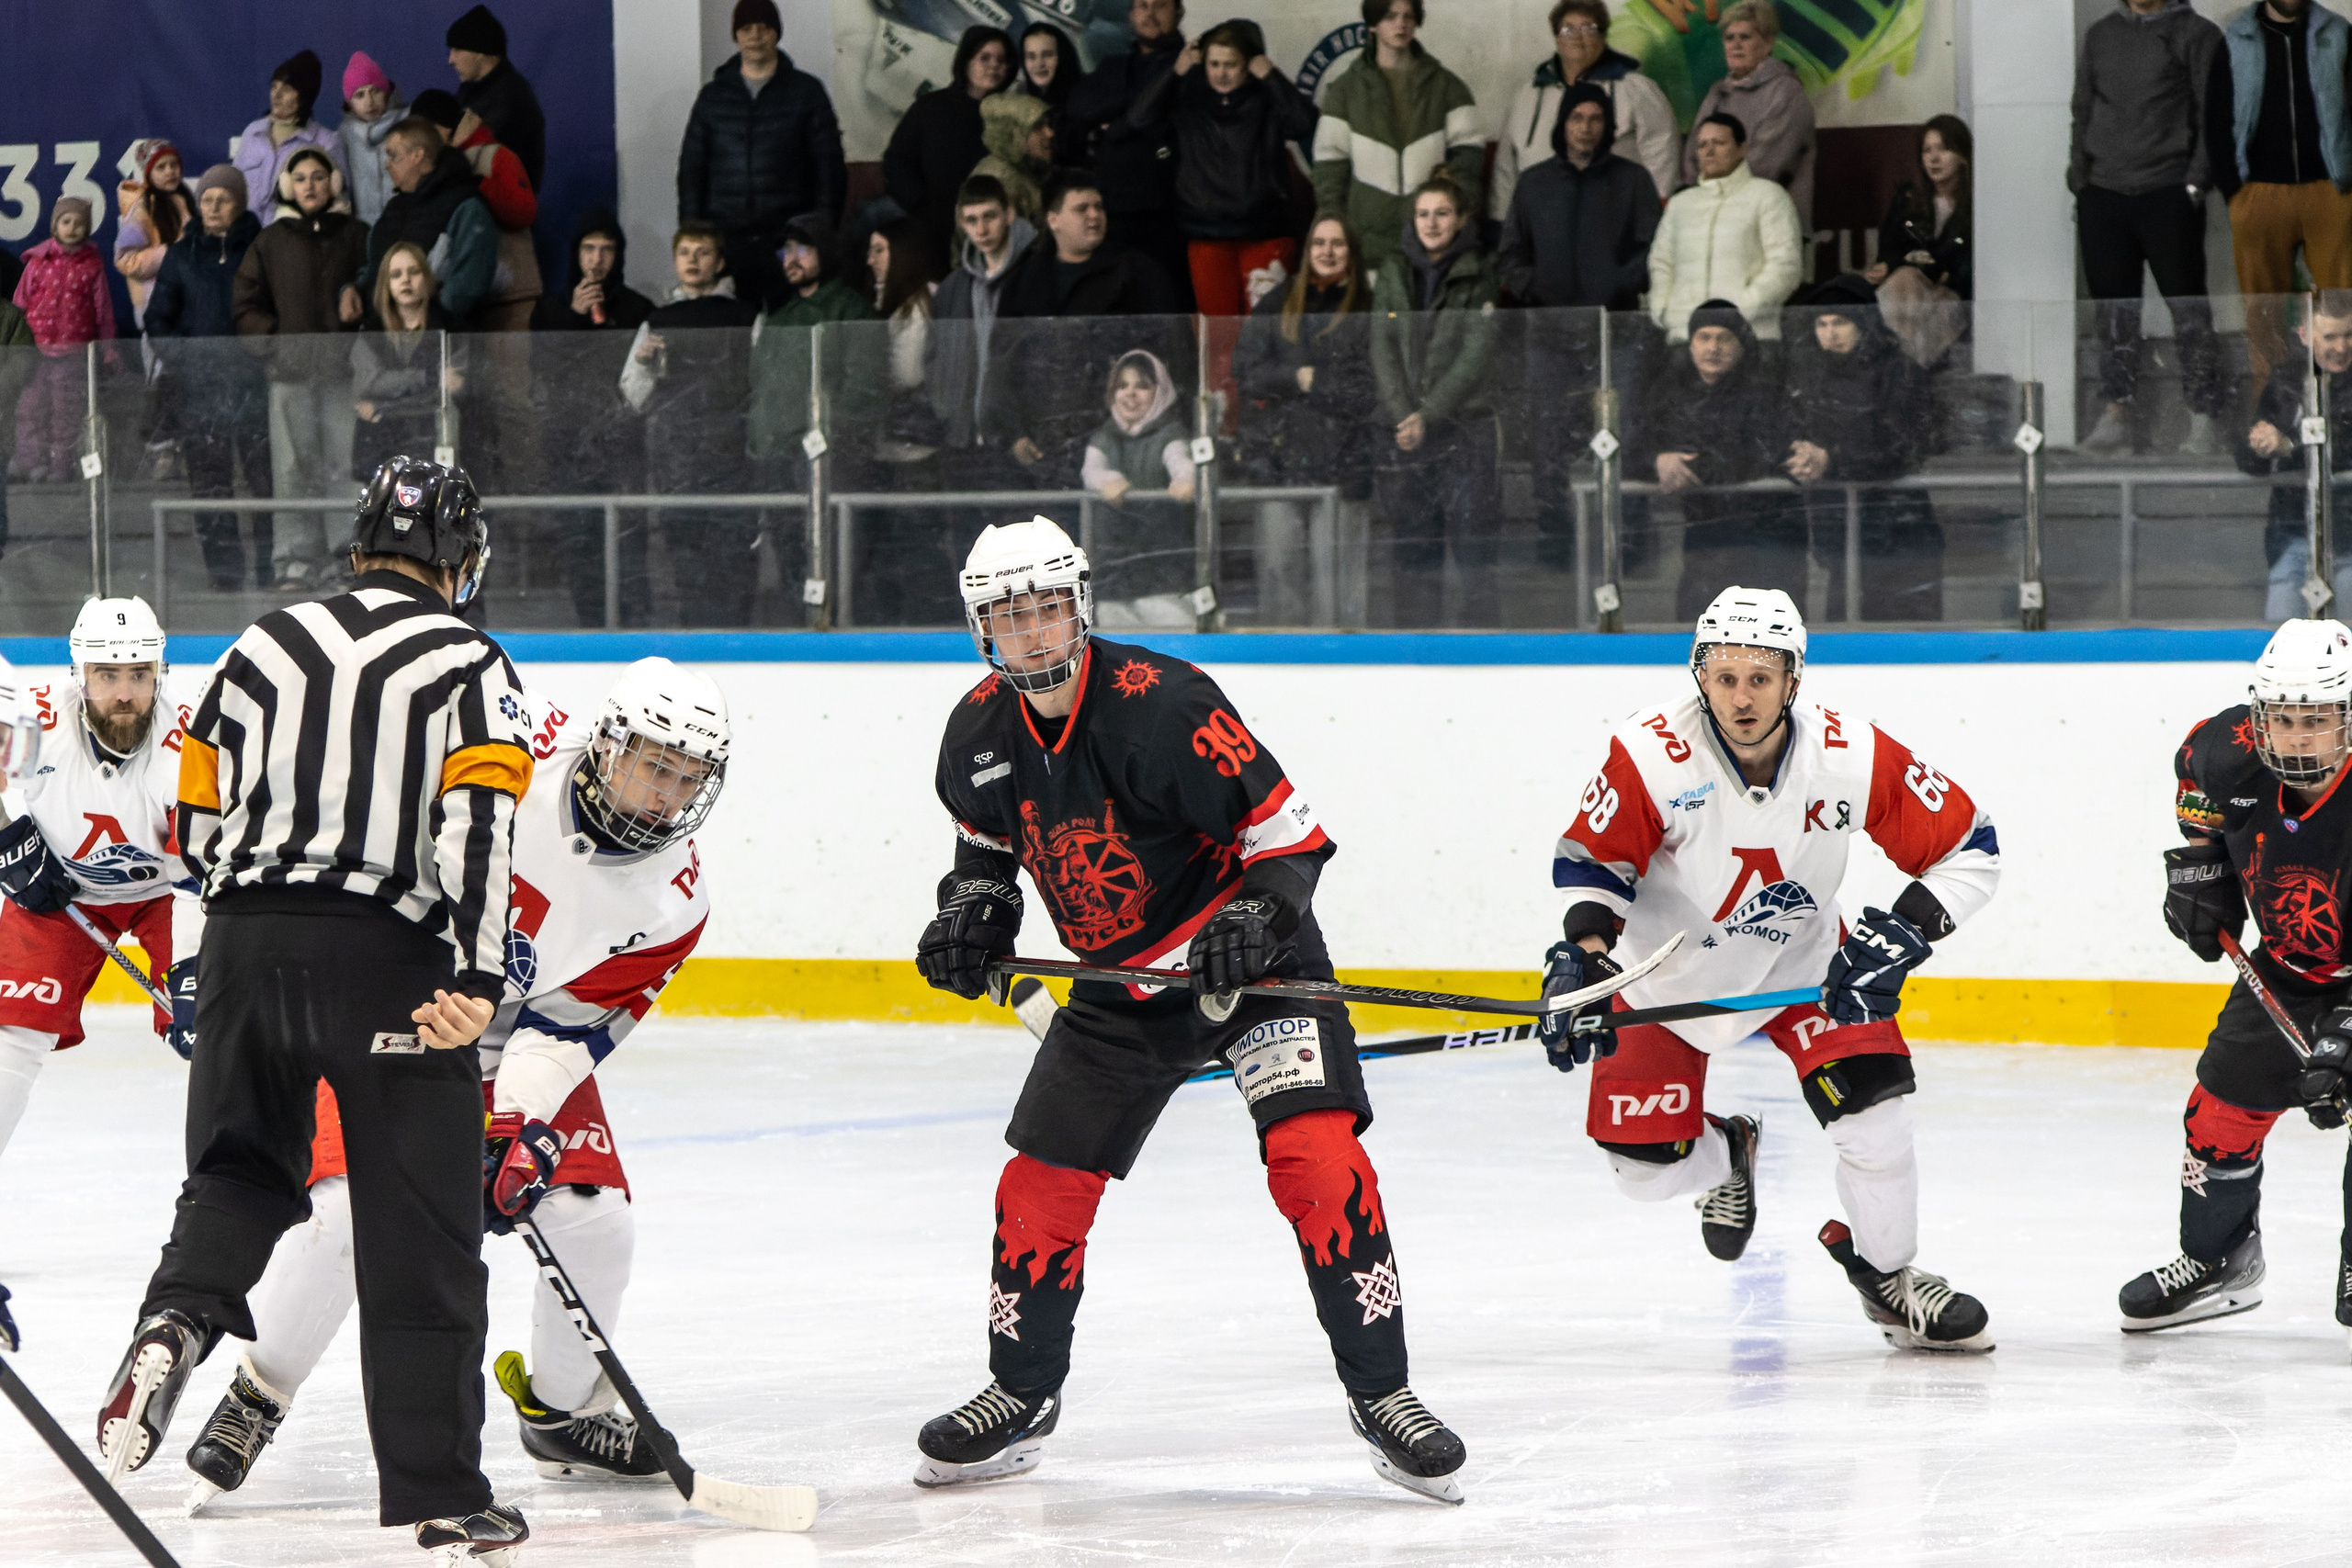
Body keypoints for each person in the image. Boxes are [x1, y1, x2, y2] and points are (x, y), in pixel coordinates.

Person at [911, 514, 1467, 1502]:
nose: (1031, 635)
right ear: (978, 628)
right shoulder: (977, 736)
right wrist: (971, 914)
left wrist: (1256, 915)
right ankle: (1021, 1393)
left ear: (1079, 606)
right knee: (1037, 1190)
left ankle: (1384, 1395)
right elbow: (986, 859)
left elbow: (1292, 840)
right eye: (1008, 617)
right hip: (1118, 992)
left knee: (1319, 1163)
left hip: (1253, 975)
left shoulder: (1163, 705)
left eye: (1046, 610)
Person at [99, 457, 530, 1563]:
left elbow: (191, 826)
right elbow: (478, 831)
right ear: (456, 557)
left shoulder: (260, 643)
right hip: (389, 962)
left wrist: (248, 917)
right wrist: (476, 982)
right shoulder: (470, 661)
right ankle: (440, 1493)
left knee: (242, 1171)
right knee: (418, 1231)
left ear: (358, 544)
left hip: (244, 945)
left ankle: (178, 1319)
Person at [183, 660, 730, 1498]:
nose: (667, 794)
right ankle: (260, 1390)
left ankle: (557, 1412)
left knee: (594, 1221)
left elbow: (572, 1025)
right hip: (396, 999)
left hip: (514, 1040)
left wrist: (516, 1122)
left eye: (689, 777)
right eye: (655, 765)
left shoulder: (675, 902)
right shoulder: (515, 746)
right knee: (345, 1212)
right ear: (608, 743)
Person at [1543, 586, 2001, 1349]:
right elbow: (1597, 867)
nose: (1742, 696)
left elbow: (1970, 849)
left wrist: (1899, 935)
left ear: (1794, 678)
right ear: (1699, 674)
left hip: (1807, 967)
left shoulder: (1852, 753)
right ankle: (1726, 1156)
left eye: (1761, 676)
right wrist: (1581, 965)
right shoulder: (1650, 754)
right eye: (1725, 677)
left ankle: (1890, 1279)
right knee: (1645, 1172)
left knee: (1877, 1115)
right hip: (1665, 985)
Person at [2122, 618, 2352, 1335]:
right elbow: (2193, 775)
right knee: (2217, 1112)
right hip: (2285, 968)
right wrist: (2202, 869)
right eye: (2282, 719)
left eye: (2317, 720)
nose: (2297, 737)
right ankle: (2219, 1260)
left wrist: (2342, 1039)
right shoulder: (2230, 749)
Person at [0, 600, 189, 1166]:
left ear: (161, 672)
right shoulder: (37, 727)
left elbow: (207, 868)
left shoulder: (193, 738)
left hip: (175, 895)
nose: (125, 693)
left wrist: (204, 967)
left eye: (139, 674)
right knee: (8, 1031)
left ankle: (276, 1204)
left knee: (223, 1032)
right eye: (107, 675)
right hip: (61, 892)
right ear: (78, 675)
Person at [1498, 82, 1661, 572]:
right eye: (1577, 118)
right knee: (1547, 439)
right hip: (1549, 335)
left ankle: (1629, 536)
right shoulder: (1534, 183)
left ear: (1608, 127)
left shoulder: (1632, 180)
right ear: (1562, 125)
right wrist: (1537, 288)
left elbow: (1652, 249)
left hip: (1617, 332)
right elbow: (1509, 255)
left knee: (1623, 433)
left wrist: (1615, 284)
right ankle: (1556, 537)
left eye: (1595, 118)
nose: (1586, 127)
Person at [1129, 17, 1319, 417]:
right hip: (1206, 236)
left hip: (1265, 234)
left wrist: (1271, 75)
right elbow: (1140, 119)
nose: (1221, 72)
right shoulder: (1188, 95)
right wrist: (1176, 70)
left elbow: (1305, 123)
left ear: (1249, 62)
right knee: (1219, 342)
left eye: (1230, 64)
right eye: (1213, 63)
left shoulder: (1266, 96)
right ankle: (1227, 427)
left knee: (1269, 337)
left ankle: (1268, 425)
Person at [2071, 0, 2227, 457]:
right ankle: (2116, 415)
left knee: (2189, 309)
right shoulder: (2101, 34)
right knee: (2113, 312)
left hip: (2168, 190)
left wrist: (2196, 184)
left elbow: (2213, 114)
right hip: (2103, 193)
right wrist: (2081, 179)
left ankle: (2204, 417)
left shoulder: (2198, 34)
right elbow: (2082, 107)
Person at [988, 170, 1182, 489]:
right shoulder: (1024, 281)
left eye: (1099, 207)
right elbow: (1002, 364)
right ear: (1054, 220)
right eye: (1081, 209)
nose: (1094, 216)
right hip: (1043, 450)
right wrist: (1014, 433)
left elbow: (1170, 356)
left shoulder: (1138, 275)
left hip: (1121, 446)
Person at [236, 147, 369, 592]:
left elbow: (375, 286)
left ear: (332, 183)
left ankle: (345, 557)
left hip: (342, 378)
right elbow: (245, 304)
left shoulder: (355, 236)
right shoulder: (270, 242)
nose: (310, 185)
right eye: (301, 178)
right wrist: (275, 347)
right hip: (288, 377)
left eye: (319, 176)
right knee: (292, 469)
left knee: (342, 467)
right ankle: (294, 560)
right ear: (286, 186)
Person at [1235, 215, 1376, 625]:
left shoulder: (1368, 307)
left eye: (1337, 243)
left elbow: (1370, 385)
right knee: (1280, 567)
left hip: (1344, 461)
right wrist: (1295, 377)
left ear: (1351, 251)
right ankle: (1285, 663)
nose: (1327, 252)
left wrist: (1322, 386)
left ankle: (1346, 658)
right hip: (1281, 461)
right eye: (1319, 243)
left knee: (1339, 576)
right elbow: (1246, 372)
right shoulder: (1278, 303)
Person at [1370, 176, 1498, 627]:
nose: (1432, 223)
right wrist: (1405, 413)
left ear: (1460, 219)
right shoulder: (1393, 269)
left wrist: (1428, 413)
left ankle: (1482, 650)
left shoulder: (1479, 270)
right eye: (1423, 213)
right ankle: (1414, 649)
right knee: (1414, 548)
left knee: (1472, 547)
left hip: (1464, 429)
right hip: (1407, 431)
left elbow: (1475, 355)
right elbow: (1381, 345)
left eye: (1442, 213)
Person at [619, 223, 761, 625]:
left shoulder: (745, 316)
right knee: (684, 557)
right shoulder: (659, 319)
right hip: (676, 459)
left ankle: (736, 633)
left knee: (732, 557)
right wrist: (645, 363)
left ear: (719, 261)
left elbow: (760, 382)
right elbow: (633, 392)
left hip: (733, 456)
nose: (693, 261)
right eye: (685, 253)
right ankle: (693, 633)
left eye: (702, 252)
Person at [1780, 278, 1941, 622]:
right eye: (1821, 324)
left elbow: (1902, 447)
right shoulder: (1809, 376)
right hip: (1840, 531)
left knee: (1904, 641)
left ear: (1864, 324)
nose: (1830, 333)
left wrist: (1832, 460)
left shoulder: (1900, 371)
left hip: (1900, 534)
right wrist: (1801, 458)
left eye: (1840, 322)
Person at [1632, 299, 1801, 619]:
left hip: (1768, 543)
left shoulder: (1766, 388)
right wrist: (1657, 461)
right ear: (1691, 345)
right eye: (1704, 337)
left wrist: (1693, 467)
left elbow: (1758, 451)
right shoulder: (1670, 392)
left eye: (1724, 338)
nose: (1714, 347)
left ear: (1741, 345)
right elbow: (1631, 445)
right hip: (1704, 545)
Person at [676, 0, 847, 315]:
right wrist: (693, 233)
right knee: (730, 329)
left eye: (764, 27)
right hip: (727, 240)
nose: (755, 36)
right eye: (746, 28)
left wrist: (819, 232)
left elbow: (830, 168)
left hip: (789, 241)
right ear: (736, 36)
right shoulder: (713, 97)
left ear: (776, 33)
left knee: (791, 326)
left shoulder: (806, 92)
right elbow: (691, 170)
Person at [748, 210, 878, 618]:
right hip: (778, 467)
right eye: (785, 250)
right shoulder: (779, 320)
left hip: (832, 466)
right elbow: (761, 391)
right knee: (789, 563)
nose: (791, 258)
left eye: (802, 249)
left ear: (826, 252)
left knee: (838, 564)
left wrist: (825, 438)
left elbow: (866, 392)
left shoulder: (852, 313)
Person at [531, 210, 655, 628]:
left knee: (628, 544)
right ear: (576, 254)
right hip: (567, 446)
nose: (597, 259)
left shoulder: (639, 308)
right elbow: (542, 370)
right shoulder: (550, 310)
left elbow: (645, 384)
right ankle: (590, 626)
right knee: (580, 545)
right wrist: (571, 317)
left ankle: (634, 628)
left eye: (606, 249)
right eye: (589, 248)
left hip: (622, 445)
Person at [147, 169, 270, 592]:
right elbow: (157, 320)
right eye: (207, 199)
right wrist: (188, 362)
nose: (213, 207)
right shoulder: (182, 255)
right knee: (209, 484)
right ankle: (225, 573)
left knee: (264, 482)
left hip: (256, 387)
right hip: (199, 389)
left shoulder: (261, 247)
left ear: (240, 203)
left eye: (224, 199)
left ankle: (270, 567)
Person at [2219, 0, 2352, 385]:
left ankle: (2344, 415)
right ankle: (2271, 418)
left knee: (2343, 306)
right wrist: (2234, 189)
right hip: (2259, 193)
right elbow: (2216, 113)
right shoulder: (2237, 37)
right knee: (2263, 314)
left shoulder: (2338, 33)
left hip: (2330, 189)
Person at [1311, 0, 1484, 269]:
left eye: (1408, 16)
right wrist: (1335, 224)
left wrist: (1454, 212)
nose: (1401, 24)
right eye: (1390, 16)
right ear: (1372, 24)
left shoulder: (1448, 87)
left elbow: (1469, 160)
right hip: (1367, 249)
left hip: (1433, 251)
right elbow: (1330, 170)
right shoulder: (1344, 91)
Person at [1491, 0, 1680, 222]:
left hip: (1615, 217)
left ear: (1603, 35)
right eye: (1568, 29)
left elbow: (1662, 151)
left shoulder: (1635, 88)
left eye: (1589, 28)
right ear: (1557, 37)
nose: (1577, 37)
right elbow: (1506, 165)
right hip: (1540, 219)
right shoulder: (1529, 94)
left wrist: (1651, 213)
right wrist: (1500, 220)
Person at [1065, 0, 1192, 307]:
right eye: (1141, 5)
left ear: (1178, 12)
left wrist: (1122, 121)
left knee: (1172, 310)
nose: (1149, 13)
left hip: (1174, 214)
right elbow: (1078, 108)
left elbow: (1163, 121)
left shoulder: (1194, 65)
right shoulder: (1114, 65)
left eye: (1159, 4)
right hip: (1117, 214)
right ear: (1130, 15)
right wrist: (1135, 114)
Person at [857, 217, 950, 625]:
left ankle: (928, 623)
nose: (871, 259)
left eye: (880, 250)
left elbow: (907, 372)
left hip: (917, 449)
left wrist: (871, 375)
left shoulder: (920, 303)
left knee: (919, 549)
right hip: (891, 447)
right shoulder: (890, 302)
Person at [2239, 293, 2352, 620]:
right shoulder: (2285, 382)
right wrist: (2259, 445)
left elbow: (2342, 447)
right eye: (2330, 336)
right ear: (2304, 335)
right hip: (2292, 536)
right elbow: (2248, 460)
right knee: (2281, 634)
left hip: (2349, 541)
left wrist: (2287, 445)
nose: (2342, 347)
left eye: (2349, 335)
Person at [1648, 114, 1802, 343]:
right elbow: (1661, 262)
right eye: (1702, 145)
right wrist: (1664, 311)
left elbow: (1785, 265)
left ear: (1742, 149)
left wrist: (1738, 314)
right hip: (1685, 339)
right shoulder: (1681, 204)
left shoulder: (1768, 195)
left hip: (1751, 337)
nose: (1709, 151)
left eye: (1719, 143)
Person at [408, 89, 541, 333]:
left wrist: (478, 184)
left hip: (510, 297)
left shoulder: (497, 156)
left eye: (423, 130)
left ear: (443, 128)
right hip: (466, 300)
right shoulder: (432, 168)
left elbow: (525, 211)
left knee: (510, 370)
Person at [1682, 1, 1815, 231]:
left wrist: (1712, 200)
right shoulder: (1717, 92)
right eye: (1729, 38)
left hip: (1769, 226)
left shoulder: (1787, 92)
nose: (1736, 45)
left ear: (1768, 42)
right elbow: (1693, 156)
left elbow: (1766, 167)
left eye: (1745, 37)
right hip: (1710, 221)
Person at [884, 26, 1013, 262]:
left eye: (1001, 60)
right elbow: (897, 160)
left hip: (994, 233)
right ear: (966, 61)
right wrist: (920, 206)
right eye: (984, 57)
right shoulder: (931, 108)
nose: (994, 65)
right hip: (933, 227)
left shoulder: (1014, 116)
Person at [1083, 349, 1197, 616]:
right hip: (1113, 572)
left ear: (1160, 392)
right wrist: (1107, 481)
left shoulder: (1171, 434)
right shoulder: (1104, 438)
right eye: (1122, 386)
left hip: (1163, 569)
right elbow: (1091, 470)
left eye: (1142, 386)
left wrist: (1186, 479)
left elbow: (1182, 462)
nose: (1130, 394)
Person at [10, 196, 115, 485]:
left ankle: (61, 466)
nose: (72, 228)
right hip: (37, 352)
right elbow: (19, 305)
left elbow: (103, 311)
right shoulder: (37, 262)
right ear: (55, 224)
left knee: (66, 412)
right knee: (31, 408)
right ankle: (31, 463)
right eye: (66, 221)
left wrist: (109, 350)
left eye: (80, 223)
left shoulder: (93, 266)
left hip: (75, 354)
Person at [363, 118, 498, 328]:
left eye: (393, 155)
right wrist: (355, 289)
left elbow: (469, 282)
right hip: (386, 338)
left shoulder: (466, 206)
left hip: (447, 342)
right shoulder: (394, 208)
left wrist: (430, 319)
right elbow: (375, 266)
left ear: (417, 156)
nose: (387, 164)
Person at [351, 243, 469, 482]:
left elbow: (455, 388)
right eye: (396, 274)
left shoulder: (450, 327)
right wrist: (430, 378)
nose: (405, 280)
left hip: (434, 438)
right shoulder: (371, 330)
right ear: (387, 284)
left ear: (426, 278)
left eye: (414, 272)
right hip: (382, 446)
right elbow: (368, 383)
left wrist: (384, 405)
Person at [1864, 116, 1973, 369]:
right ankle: (1901, 367)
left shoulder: (1976, 205)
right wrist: (1887, 266)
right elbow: (1889, 250)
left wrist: (1937, 273)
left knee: (1942, 302)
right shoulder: (1908, 197)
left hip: (1951, 294)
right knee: (1904, 280)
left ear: (1963, 155)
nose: (1934, 159)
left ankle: (1904, 369)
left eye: (1943, 149)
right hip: (1911, 289)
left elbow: (1968, 267)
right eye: (1927, 150)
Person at [233, 51, 345, 230]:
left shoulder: (325, 143)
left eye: (285, 89)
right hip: (245, 241)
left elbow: (340, 204)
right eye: (273, 87)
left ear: (304, 97)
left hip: (295, 242)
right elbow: (233, 189)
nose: (276, 96)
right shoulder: (253, 133)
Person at [447, 4, 547, 196]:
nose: (451, 60)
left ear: (481, 52)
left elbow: (465, 146)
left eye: (457, 49)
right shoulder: (473, 89)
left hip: (502, 213)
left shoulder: (510, 96)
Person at [115, 141, 192, 330]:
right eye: (161, 167)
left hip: (185, 308)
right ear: (148, 173)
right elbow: (125, 259)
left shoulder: (186, 200)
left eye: (174, 165)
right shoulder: (142, 210)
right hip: (156, 312)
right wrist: (169, 253)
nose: (170, 171)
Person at [337, 52, 410, 227]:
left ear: (387, 93)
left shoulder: (409, 125)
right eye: (360, 95)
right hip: (362, 233)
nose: (369, 101)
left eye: (375, 91)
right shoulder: (343, 138)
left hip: (406, 227)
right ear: (350, 103)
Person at [970, 92, 1055, 228]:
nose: (1050, 133)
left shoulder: (1028, 168)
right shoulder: (1001, 182)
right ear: (1013, 134)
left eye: (1047, 124)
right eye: (1038, 126)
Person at [1011, 22, 1080, 162]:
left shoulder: (1084, 99)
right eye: (1031, 56)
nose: (1039, 64)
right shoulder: (1017, 100)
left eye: (1047, 55)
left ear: (1063, 56)